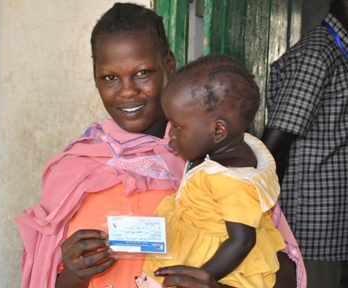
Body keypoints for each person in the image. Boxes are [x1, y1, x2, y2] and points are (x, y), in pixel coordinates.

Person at [15, 3, 304, 288]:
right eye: (110, 77)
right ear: (95, 78)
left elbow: (282, 273)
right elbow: (44, 278)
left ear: (168, 65)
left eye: (143, 72)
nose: (127, 91)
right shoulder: (72, 171)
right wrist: (74, 275)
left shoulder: (216, 164)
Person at [141, 53, 285, 287]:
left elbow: (242, 240)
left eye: (177, 126)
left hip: (217, 261)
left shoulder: (231, 180)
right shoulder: (234, 146)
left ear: (218, 131)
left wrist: (204, 276)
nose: (170, 134)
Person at [261, 0, 348, 287]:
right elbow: (274, 145)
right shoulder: (318, 54)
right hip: (313, 229)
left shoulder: (336, 51)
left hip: (332, 224)